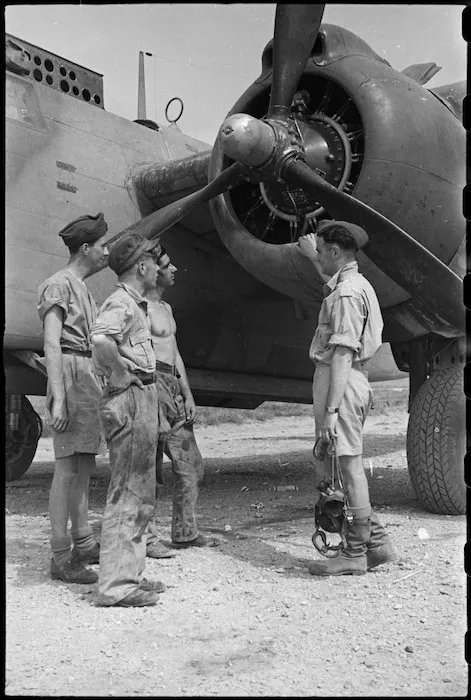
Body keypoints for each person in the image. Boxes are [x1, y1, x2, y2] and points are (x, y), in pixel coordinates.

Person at [297, 221, 396, 576]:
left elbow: (341, 353)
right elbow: (332, 287)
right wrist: (312, 258)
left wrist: (331, 411)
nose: (319, 257)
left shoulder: (347, 295)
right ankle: (377, 542)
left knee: (348, 467)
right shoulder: (354, 285)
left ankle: (355, 553)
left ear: (335, 252)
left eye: (322, 251)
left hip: (342, 382)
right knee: (341, 464)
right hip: (347, 380)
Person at [91, 233, 166, 607]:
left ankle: (130, 574)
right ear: (141, 266)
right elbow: (100, 339)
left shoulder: (134, 304)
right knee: (128, 492)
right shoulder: (121, 302)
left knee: (141, 491)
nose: (157, 268)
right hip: (131, 398)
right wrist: (120, 375)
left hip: (142, 396)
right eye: (153, 262)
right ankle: (116, 586)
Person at [37, 212, 109, 584]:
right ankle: (60, 555)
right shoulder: (58, 285)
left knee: (84, 465)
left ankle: (83, 543)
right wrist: (59, 399)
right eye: (101, 246)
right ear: (86, 248)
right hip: (68, 370)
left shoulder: (81, 287)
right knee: (66, 467)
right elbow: (51, 342)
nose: (106, 251)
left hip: (85, 373)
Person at [144, 246, 217, 555]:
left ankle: (185, 531)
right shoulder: (139, 308)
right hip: (152, 384)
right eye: (167, 265)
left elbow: (175, 356)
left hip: (172, 382)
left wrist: (187, 393)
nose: (174, 270)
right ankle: (145, 539)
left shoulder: (167, 309)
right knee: (146, 465)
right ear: (152, 272)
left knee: (191, 464)